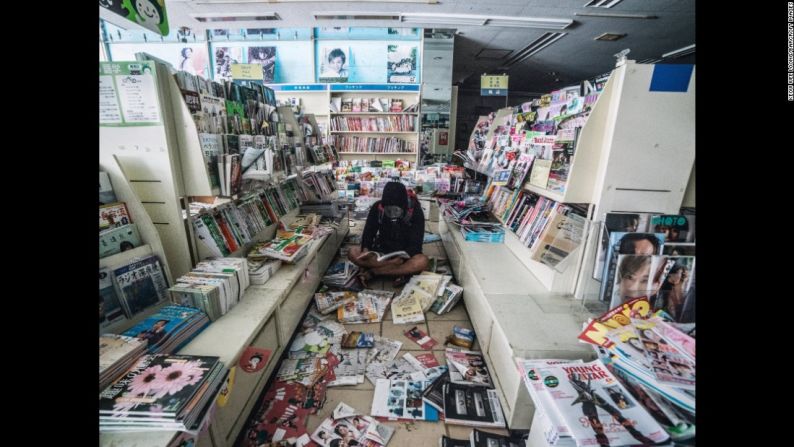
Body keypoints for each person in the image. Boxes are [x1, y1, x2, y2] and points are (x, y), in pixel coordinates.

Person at [348, 182, 428, 287]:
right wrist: (366, 250)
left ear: (403, 206)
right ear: (383, 206)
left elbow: (416, 245)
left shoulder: (415, 212)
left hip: (403, 257)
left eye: (396, 210)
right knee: (352, 252)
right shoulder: (377, 208)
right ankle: (392, 270)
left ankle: (375, 272)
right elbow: (368, 232)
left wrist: (401, 258)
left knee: (422, 261)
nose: (392, 214)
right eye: (388, 210)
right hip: (382, 253)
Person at [568, 373, 654, 447]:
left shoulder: (582, 383)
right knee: (594, 420)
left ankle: (640, 437)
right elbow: (575, 384)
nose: (578, 378)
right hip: (587, 400)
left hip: (594, 397)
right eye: (576, 377)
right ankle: (604, 442)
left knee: (616, 414)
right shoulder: (575, 384)